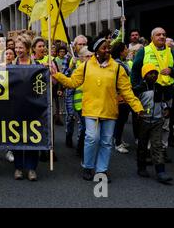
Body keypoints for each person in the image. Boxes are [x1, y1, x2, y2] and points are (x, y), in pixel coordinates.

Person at [52, 36, 144, 182]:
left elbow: (127, 91)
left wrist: (138, 108)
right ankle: (88, 166)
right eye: (104, 48)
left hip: (109, 110)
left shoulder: (118, 68)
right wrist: (56, 75)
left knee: (106, 142)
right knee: (91, 138)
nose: (107, 50)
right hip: (90, 110)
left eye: (108, 47)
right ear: (96, 51)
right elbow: (73, 82)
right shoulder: (86, 66)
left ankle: (101, 170)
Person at [131, 27, 174, 163]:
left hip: (167, 92)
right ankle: (149, 151)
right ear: (152, 38)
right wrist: (136, 90)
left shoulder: (172, 52)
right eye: (158, 34)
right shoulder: (144, 51)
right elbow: (135, 70)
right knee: (148, 122)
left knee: (165, 124)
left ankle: (162, 150)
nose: (162, 37)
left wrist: (172, 70)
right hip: (149, 93)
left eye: (164, 34)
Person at [135, 64, 173, 184]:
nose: (153, 75)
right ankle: (141, 167)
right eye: (150, 73)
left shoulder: (159, 88)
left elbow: (162, 102)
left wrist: (166, 108)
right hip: (143, 121)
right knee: (142, 145)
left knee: (157, 145)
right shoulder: (139, 88)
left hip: (157, 120)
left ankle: (160, 171)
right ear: (144, 75)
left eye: (155, 73)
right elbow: (133, 102)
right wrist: (137, 112)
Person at [10, 35, 39, 181]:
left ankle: (32, 168)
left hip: (33, 107)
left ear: (27, 48)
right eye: (16, 47)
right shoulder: (10, 65)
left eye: (21, 47)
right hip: (15, 107)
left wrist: (49, 71)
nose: (17, 50)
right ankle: (18, 167)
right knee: (17, 137)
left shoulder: (37, 65)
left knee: (33, 137)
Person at [111, 42, 132, 154]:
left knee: (122, 119)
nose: (127, 50)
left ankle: (118, 139)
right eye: (125, 49)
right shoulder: (117, 64)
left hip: (123, 94)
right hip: (119, 95)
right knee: (120, 119)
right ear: (120, 52)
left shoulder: (121, 62)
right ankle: (117, 143)